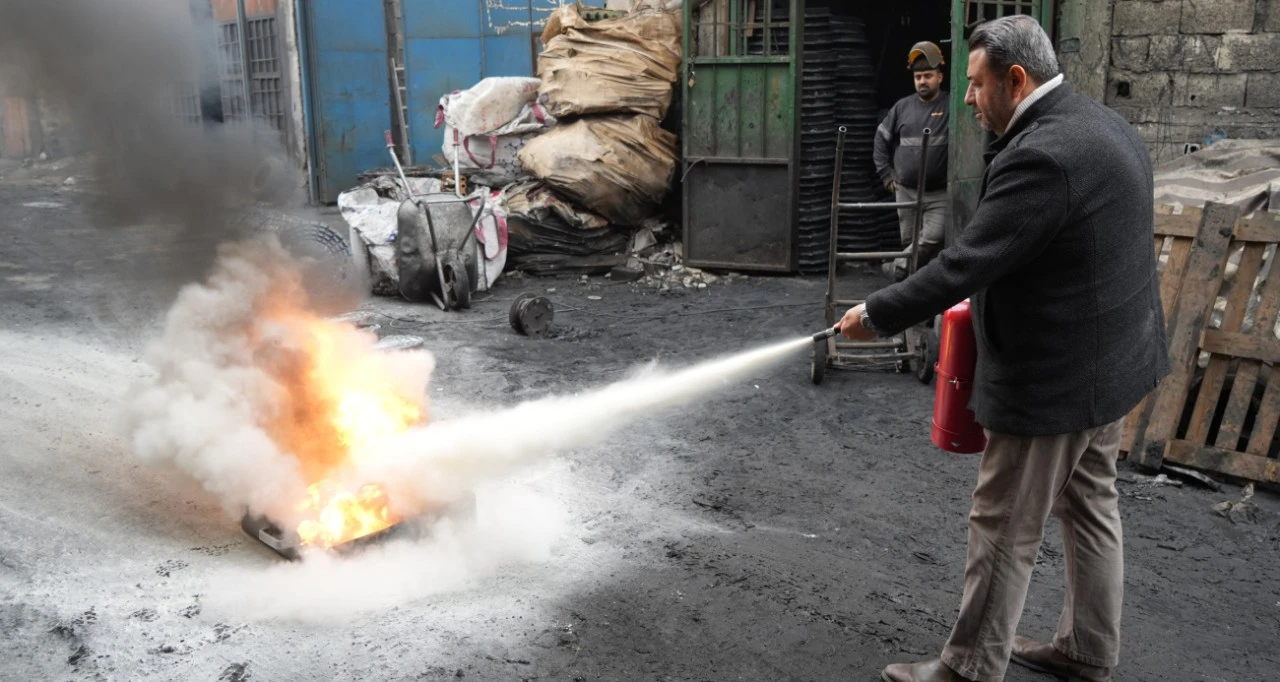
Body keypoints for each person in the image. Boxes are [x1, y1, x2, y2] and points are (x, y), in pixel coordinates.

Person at [838, 15, 1170, 682]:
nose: (965, 97)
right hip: (1114, 361)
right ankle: (1086, 649)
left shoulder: (1041, 156)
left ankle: (967, 667)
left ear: (1015, 80)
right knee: (1090, 505)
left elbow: (967, 263)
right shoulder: (1100, 123)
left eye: (975, 82)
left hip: (1058, 378)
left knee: (1002, 522)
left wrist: (877, 311)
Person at [873, 40, 951, 282]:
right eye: (918, 76)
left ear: (940, 76)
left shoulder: (951, 106)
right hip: (905, 191)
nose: (922, 81)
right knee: (911, 244)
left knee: (932, 240)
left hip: (938, 194)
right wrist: (886, 175)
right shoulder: (902, 107)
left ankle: (896, 268)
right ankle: (915, 302)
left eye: (928, 75)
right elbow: (881, 139)